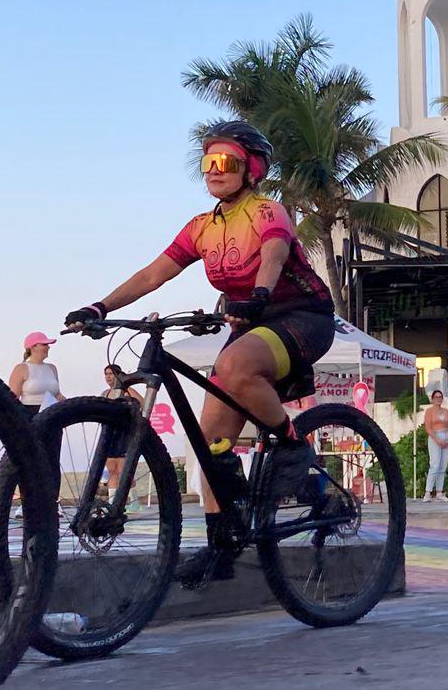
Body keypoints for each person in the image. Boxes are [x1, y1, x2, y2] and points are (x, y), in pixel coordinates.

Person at [64, 121, 335, 583]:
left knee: (232, 364)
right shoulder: (202, 227)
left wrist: (261, 295)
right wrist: (99, 306)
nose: (214, 171)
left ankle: (292, 446)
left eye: (225, 162)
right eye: (208, 163)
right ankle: (221, 546)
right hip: (250, 324)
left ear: (251, 170)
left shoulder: (269, 211)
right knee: (210, 442)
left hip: (300, 315)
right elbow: (153, 274)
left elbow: (271, 257)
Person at [101, 363, 146, 507]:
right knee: (112, 469)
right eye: (106, 374)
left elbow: (142, 403)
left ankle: (132, 502)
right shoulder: (105, 394)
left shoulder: (128, 391)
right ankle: (112, 502)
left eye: (111, 374)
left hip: (124, 432)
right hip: (109, 432)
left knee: (123, 469)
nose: (108, 377)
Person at [10, 332, 66, 416]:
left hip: (52, 414)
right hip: (30, 414)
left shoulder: (52, 368)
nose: (48, 347)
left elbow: (57, 395)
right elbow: (13, 399)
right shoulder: (21, 368)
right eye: (44, 344)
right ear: (33, 347)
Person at [422, 388, 448, 501]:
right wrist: (437, 439)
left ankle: (439, 492)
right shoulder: (429, 411)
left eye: (440, 397)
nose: (438, 399)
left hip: (445, 436)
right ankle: (428, 492)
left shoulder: (445, 411)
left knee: (442, 466)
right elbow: (428, 428)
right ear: (433, 399)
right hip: (435, 437)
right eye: (437, 397)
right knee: (434, 465)